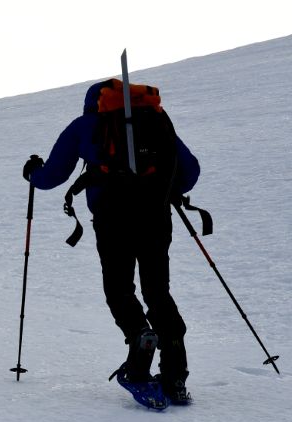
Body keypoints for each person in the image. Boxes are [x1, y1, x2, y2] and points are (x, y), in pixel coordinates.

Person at [23, 79, 200, 403]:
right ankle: (175, 376)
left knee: (120, 290)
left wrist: (33, 172)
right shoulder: (156, 122)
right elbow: (190, 170)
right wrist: (164, 187)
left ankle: (140, 340)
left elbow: (52, 177)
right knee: (158, 293)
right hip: (156, 218)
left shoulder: (86, 126)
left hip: (112, 220)